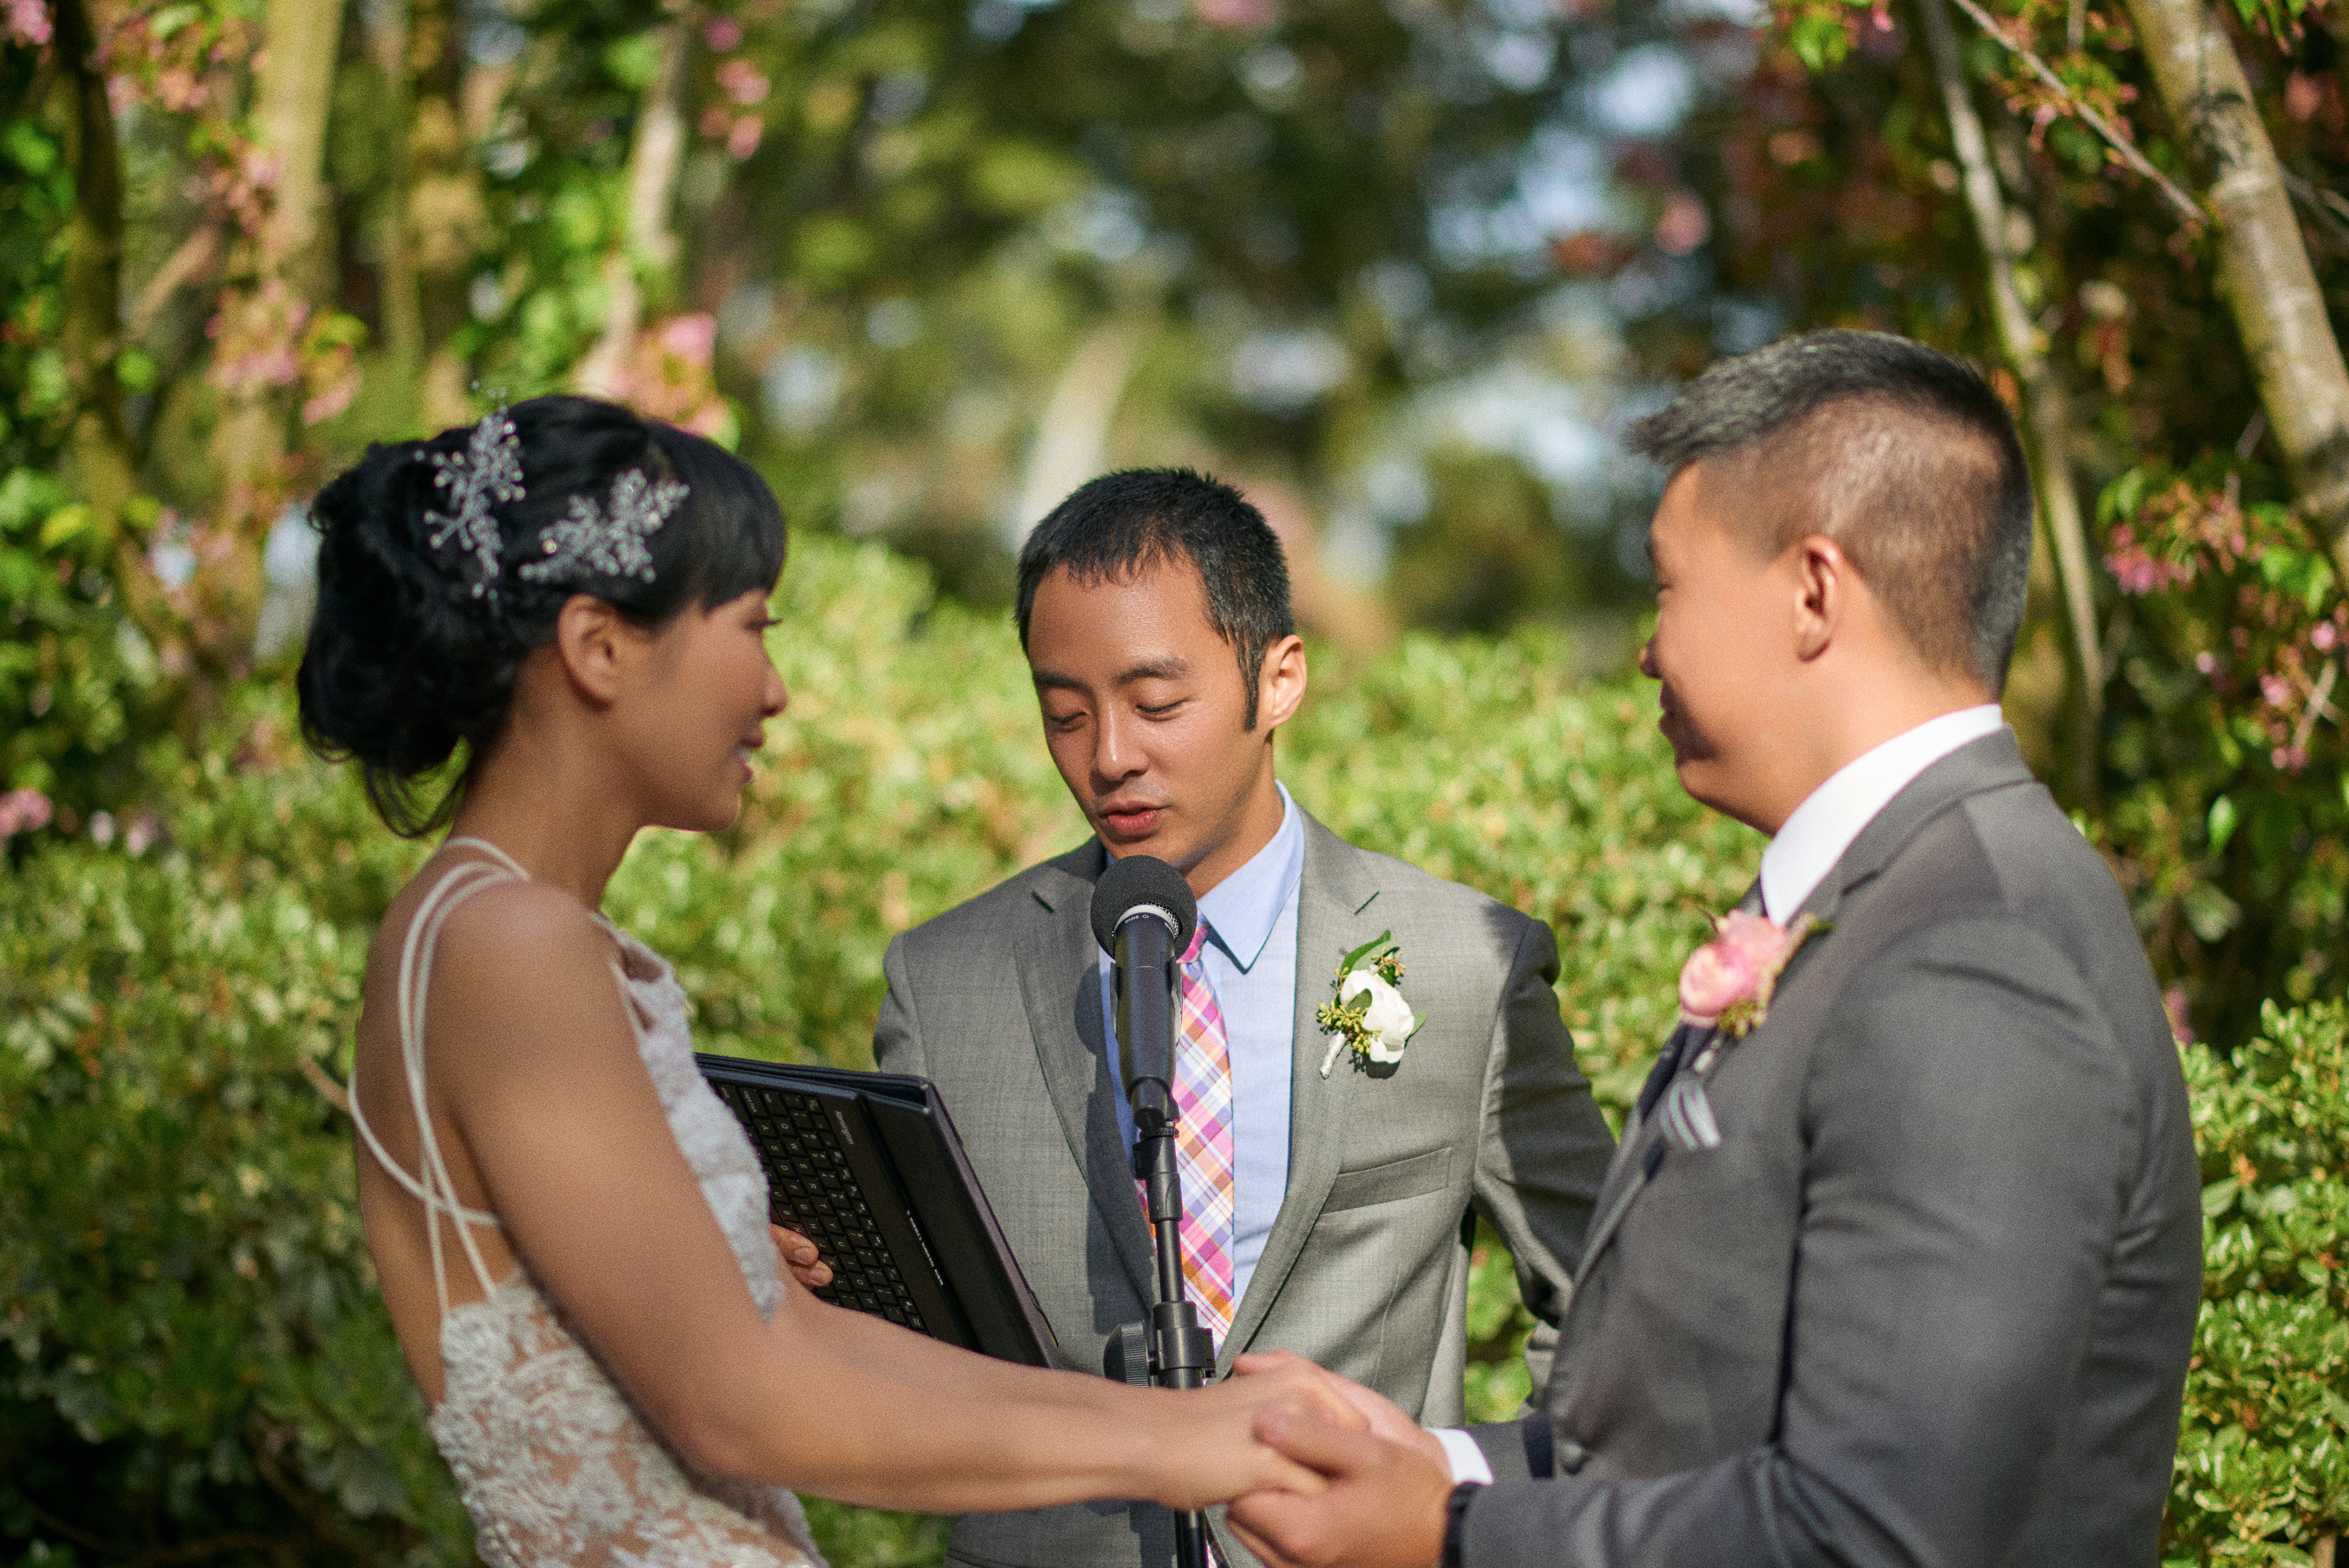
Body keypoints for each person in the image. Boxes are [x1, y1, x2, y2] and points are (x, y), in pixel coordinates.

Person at [295, 398, 1337, 1568]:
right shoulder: (508, 942)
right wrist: (1175, 1449)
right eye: (753, 626)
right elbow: (735, 1399)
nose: (776, 690)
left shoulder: (492, 927)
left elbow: (791, 1337)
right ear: (600, 649)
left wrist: (1196, 1429)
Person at [1222, 330, 2204, 1568]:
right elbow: (1691, 1428)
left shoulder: (1974, 957)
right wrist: (1434, 1464)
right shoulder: (1892, 900)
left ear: (1814, 593)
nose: (1648, 647)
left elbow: (1877, 1532)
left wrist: (1450, 1534)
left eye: (1668, 588)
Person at [839, 469, 1617, 1568]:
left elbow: (1616, 1317)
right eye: (1066, 715)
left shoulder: (1465, 965)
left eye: (1158, 705)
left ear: (1280, 678)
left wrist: (1462, 1499)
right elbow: (908, 1347)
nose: (1110, 756)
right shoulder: (946, 981)